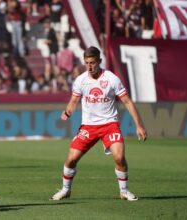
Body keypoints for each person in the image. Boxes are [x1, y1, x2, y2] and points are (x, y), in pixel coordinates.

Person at [50, 46, 147, 201]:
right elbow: (74, 101)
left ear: (100, 61)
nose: (89, 66)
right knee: (71, 159)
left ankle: (124, 191)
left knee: (119, 156)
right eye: (87, 62)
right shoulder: (81, 80)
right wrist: (67, 112)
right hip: (88, 126)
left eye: (93, 62)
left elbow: (127, 101)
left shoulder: (111, 79)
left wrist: (139, 125)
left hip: (109, 124)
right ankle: (65, 189)